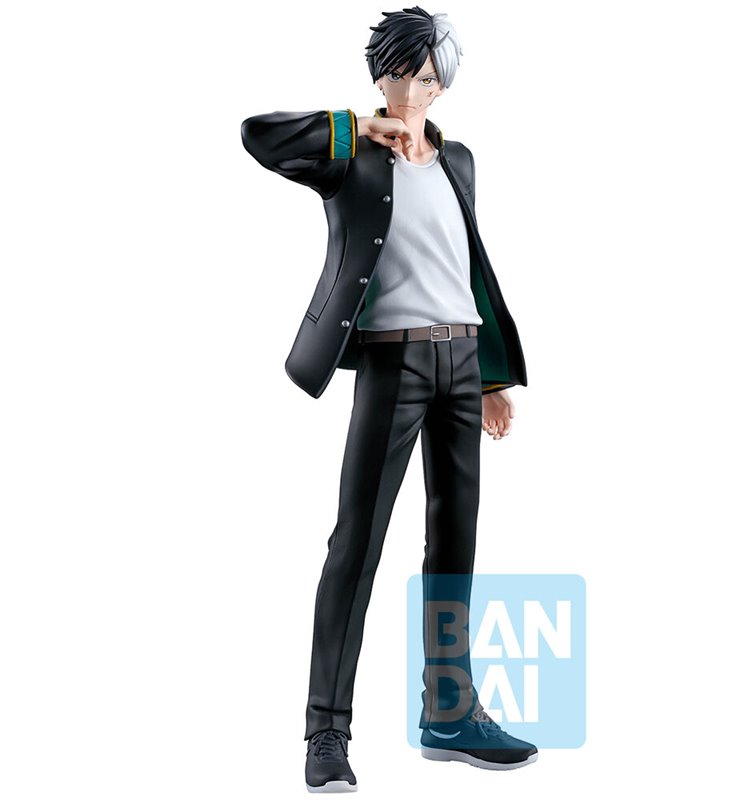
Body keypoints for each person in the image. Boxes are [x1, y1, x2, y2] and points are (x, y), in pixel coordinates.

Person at [241, 7, 537, 792]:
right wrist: (353, 128)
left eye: (430, 75)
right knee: (357, 544)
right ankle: (325, 733)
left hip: (461, 362)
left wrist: (492, 378)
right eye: (403, 73)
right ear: (381, 75)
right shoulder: (351, 158)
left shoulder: (459, 160)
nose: (416, 88)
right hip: (391, 363)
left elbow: (464, 263)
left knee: (456, 542)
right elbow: (258, 135)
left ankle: (450, 714)